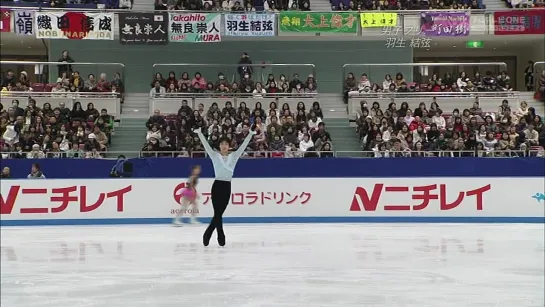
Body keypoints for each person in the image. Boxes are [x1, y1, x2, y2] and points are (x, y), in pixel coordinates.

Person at [194, 124, 256, 247]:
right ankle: (219, 233)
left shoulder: (234, 156)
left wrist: (250, 134)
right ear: (219, 146)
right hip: (217, 186)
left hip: (227, 187)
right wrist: (200, 133)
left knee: (219, 213)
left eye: (226, 144)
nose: (223, 146)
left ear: (229, 146)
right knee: (217, 212)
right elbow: (206, 146)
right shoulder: (215, 155)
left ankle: (209, 231)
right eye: (221, 144)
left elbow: (243, 146)